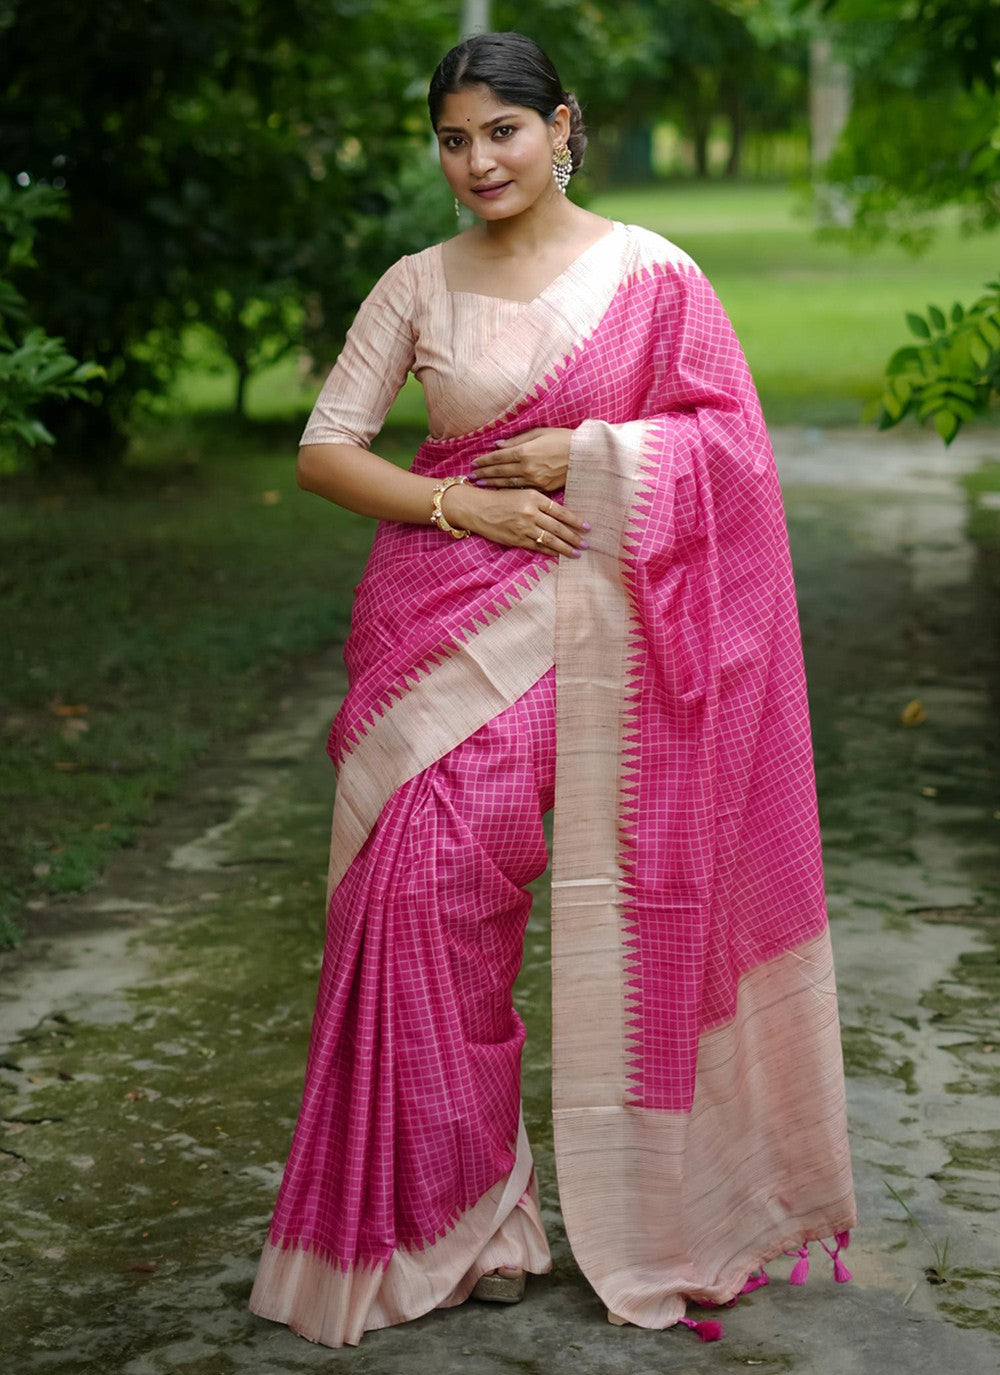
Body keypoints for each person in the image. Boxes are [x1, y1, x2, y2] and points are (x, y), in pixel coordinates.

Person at [248, 31, 856, 1350]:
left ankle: (644, 1200)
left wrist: (587, 448)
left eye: (503, 132)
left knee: (562, 893)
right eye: (454, 140)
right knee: (418, 899)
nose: (479, 162)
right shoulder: (418, 282)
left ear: (562, 127)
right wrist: (459, 504)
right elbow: (324, 451)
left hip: (598, 637)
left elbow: (731, 451)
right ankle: (464, 1217)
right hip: (430, 624)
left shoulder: (653, 275)